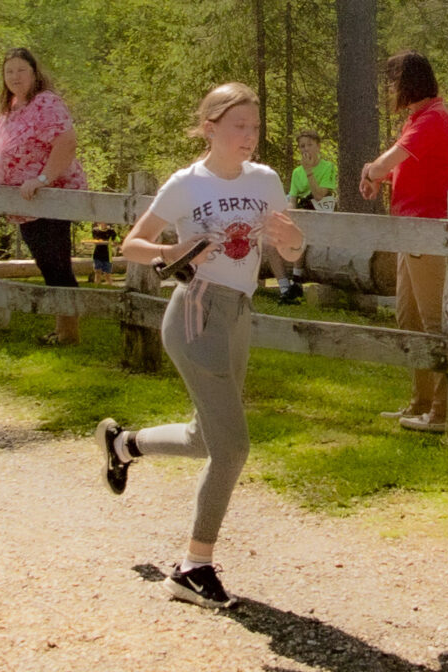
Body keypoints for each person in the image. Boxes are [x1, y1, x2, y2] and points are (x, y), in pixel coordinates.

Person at [96, 82, 306, 609]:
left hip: (238, 314)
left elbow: (292, 247)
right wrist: (175, 248)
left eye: (255, 127)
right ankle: (193, 567)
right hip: (195, 313)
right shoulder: (186, 184)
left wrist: (290, 242)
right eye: (239, 126)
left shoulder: (265, 180)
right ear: (210, 128)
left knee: (205, 437)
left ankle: (124, 445)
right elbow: (132, 246)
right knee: (232, 446)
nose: (250, 136)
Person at [358, 50, 448, 432]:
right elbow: (398, 165)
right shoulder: (418, 119)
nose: (390, 89)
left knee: (433, 321)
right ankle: (421, 402)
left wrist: (373, 172)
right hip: (410, 230)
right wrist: (378, 176)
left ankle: (443, 412)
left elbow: (387, 162)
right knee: (409, 319)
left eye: (393, 81)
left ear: (409, 82)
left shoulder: (433, 119)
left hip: (426, 230)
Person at [0, 46, 87, 344]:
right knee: (46, 262)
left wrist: (42, 179)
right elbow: (0, 150)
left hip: (49, 198)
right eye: (9, 71)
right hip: (24, 203)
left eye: (21, 70)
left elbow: (66, 142)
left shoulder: (46, 103)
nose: (15, 76)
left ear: (35, 73)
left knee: (55, 263)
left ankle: (68, 332)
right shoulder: (11, 107)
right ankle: (62, 329)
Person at [275, 129, 336, 305]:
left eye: (310, 145)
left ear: (318, 147)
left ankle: (297, 280)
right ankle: (286, 287)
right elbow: (293, 199)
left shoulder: (328, 167)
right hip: (301, 212)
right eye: (302, 146)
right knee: (276, 239)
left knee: (301, 233)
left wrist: (309, 171)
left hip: (320, 212)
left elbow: (320, 195)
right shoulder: (297, 172)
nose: (306, 149)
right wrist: (289, 219)